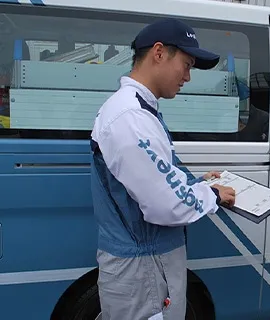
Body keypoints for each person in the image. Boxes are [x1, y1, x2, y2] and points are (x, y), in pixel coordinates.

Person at [90, 18, 236, 320]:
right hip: (143, 270)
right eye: (186, 64)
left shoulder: (139, 109)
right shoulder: (131, 117)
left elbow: (153, 180)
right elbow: (165, 205)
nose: (188, 77)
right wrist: (213, 196)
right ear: (158, 53)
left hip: (145, 266)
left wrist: (196, 182)